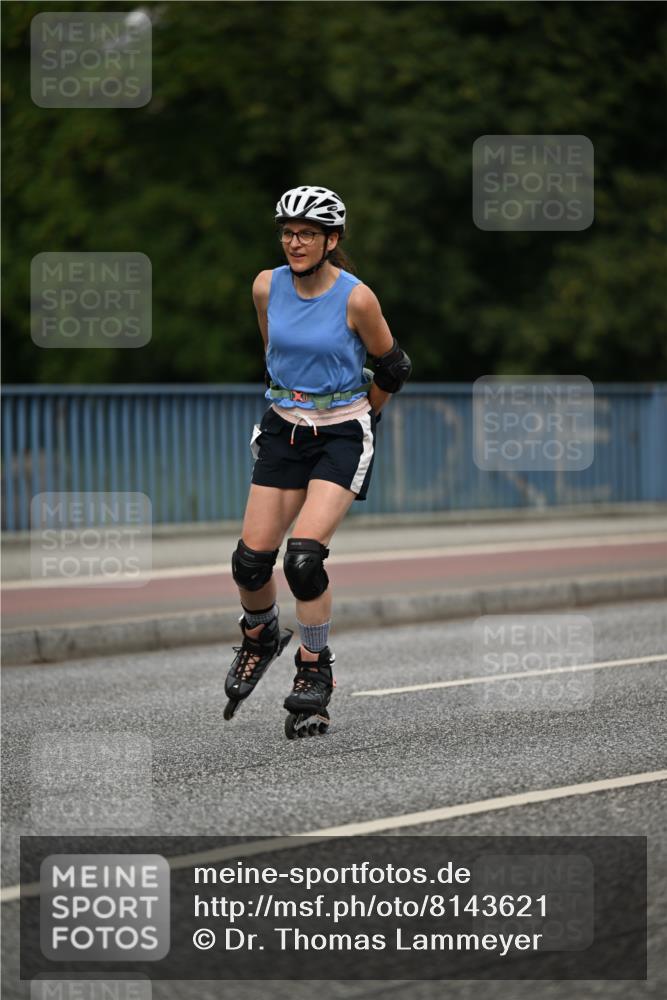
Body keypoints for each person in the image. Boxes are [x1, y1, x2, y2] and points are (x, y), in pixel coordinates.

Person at [223, 185, 411, 738]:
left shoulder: (357, 298)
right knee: (250, 565)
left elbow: (394, 366)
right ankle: (259, 636)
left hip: (342, 434)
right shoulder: (265, 286)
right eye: (288, 232)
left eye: (307, 233)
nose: (295, 242)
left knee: (302, 560)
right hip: (285, 428)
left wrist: (365, 416)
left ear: (332, 240)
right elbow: (272, 353)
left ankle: (314, 668)